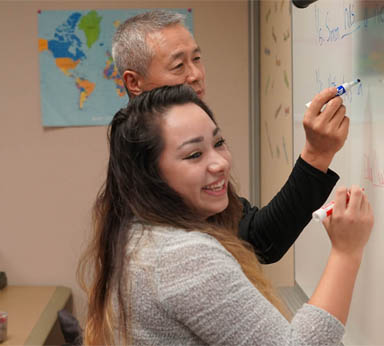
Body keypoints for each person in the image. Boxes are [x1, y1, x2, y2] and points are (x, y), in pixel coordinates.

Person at [79, 84, 374, 345]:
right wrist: (345, 253)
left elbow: (260, 236)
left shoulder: (139, 230)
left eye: (218, 143)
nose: (219, 163)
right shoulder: (182, 256)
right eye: (194, 155)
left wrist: (317, 156)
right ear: (150, 175)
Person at [111, 10, 349, 264]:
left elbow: (253, 237)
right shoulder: (140, 160)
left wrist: (317, 154)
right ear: (134, 82)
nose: (196, 75)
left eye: (197, 58)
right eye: (179, 65)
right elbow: (259, 241)